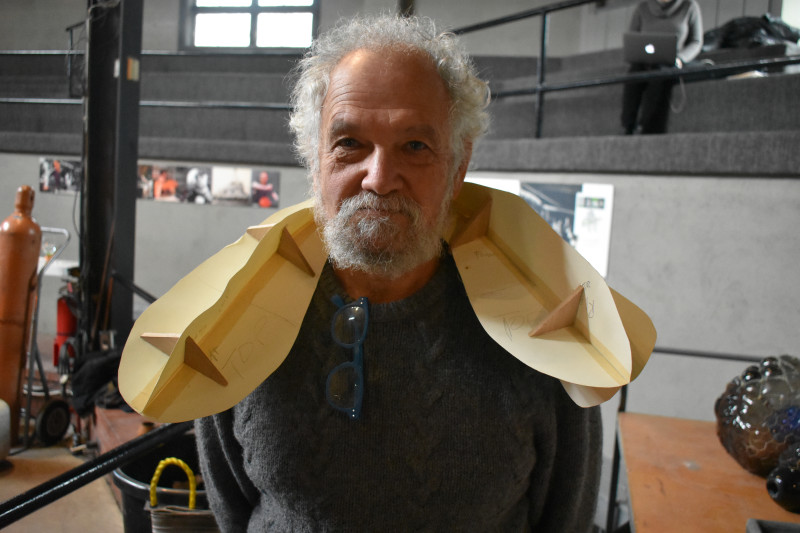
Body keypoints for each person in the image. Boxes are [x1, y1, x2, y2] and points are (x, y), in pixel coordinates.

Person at [195, 14, 602, 532]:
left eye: (415, 146)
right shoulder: (238, 314)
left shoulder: (543, 327)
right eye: (349, 143)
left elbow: (567, 516)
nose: (380, 178)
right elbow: (234, 508)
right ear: (314, 161)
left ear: (457, 167)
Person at [621, 0, 703, 134]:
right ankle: (628, 125)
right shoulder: (642, 8)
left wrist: (680, 58)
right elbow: (632, 39)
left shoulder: (689, 6)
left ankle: (649, 129)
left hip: (672, 62)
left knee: (659, 74)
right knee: (634, 73)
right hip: (644, 61)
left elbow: (696, 41)